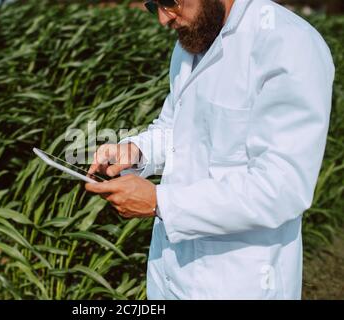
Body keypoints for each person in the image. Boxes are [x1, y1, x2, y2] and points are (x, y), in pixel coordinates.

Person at [85, 0, 335, 299]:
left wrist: (161, 203)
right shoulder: (191, 42)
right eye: (154, 5)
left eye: (169, 2)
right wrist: (135, 150)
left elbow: (281, 187)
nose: (163, 19)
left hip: (237, 282)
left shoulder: (290, 46)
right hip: (168, 273)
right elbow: (175, 129)